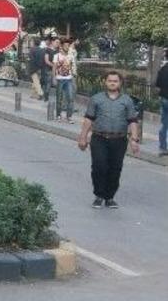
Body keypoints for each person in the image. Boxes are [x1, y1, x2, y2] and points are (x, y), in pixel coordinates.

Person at [77, 71, 140, 209]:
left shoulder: (127, 100)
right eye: (110, 80)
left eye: (115, 81)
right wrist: (83, 137)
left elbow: (133, 120)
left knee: (115, 169)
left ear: (120, 83)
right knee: (99, 166)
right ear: (105, 82)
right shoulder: (96, 99)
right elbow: (89, 119)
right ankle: (99, 195)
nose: (112, 83)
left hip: (119, 139)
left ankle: (110, 197)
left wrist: (134, 140)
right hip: (99, 138)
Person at [53, 39, 76, 123]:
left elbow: (72, 67)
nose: (67, 47)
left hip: (69, 80)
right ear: (62, 46)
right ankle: (58, 116)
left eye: (68, 46)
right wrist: (54, 78)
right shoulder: (57, 56)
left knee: (70, 98)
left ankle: (69, 117)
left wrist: (73, 76)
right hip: (59, 79)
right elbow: (54, 67)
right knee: (59, 98)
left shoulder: (71, 56)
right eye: (65, 45)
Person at [157, 50, 168, 157]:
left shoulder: (163, 69)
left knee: (165, 124)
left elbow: (158, 84)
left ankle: (163, 147)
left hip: (164, 98)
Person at [42, 38, 59, 102]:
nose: (57, 44)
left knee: (56, 83)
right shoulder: (47, 50)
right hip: (48, 69)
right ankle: (46, 97)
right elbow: (46, 60)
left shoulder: (57, 51)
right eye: (56, 42)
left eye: (58, 43)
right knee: (48, 83)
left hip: (56, 70)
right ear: (52, 42)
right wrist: (54, 65)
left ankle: (59, 97)